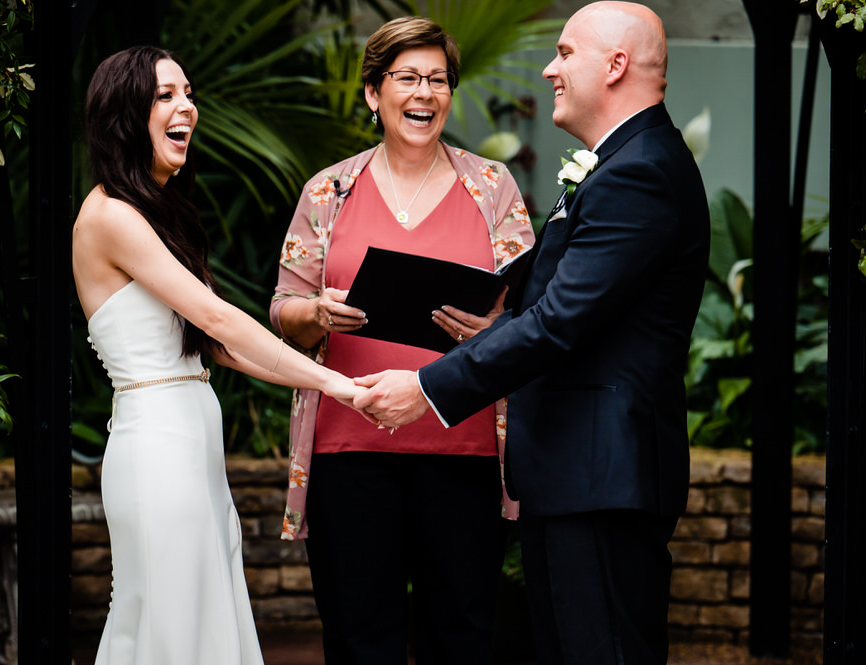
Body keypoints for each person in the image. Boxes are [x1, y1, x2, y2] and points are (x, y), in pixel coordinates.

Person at [354, 3, 710, 665]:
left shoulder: (640, 173)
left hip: (601, 473)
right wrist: (498, 325)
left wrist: (428, 388)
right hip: (576, 473)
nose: (550, 68)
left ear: (615, 65)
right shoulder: (622, 163)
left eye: (566, 53)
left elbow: (559, 324)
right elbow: (566, 307)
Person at [72, 45, 362, 665]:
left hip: (189, 441)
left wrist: (328, 382)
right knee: (169, 626)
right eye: (164, 96)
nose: (187, 109)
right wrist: (342, 388)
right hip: (156, 448)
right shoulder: (111, 216)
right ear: (125, 115)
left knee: (202, 616)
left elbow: (218, 346)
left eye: (188, 93)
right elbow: (217, 316)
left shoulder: (156, 212)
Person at [269, 16, 535, 665]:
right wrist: (317, 312)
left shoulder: (492, 186)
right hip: (347, 450)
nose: (425, 93)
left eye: (438, 80)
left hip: (463, 448)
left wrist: (494, 327)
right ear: (373, 93)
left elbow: (534, 314)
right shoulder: (328, 191)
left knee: (463, 634)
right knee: (360, 637)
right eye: (408, 77)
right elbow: (282, 310)